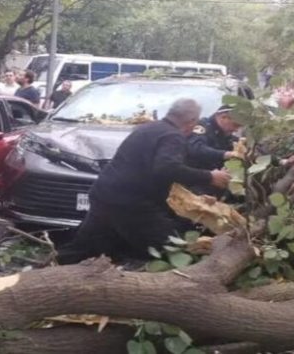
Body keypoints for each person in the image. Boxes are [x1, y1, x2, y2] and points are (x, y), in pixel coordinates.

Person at [57, 98, 231, 264]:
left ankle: (48, 270)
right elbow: (166, 168)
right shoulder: (173, 136)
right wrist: (210, 176)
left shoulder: (149, 128)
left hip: (105, 193)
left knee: (84, 246)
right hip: (131, 204)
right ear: (191, 120)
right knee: (171, 247)